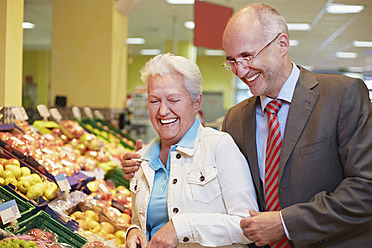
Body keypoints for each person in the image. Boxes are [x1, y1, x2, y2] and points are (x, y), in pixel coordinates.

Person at [221, 3, 372, 248]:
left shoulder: (343, 96)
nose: (240, 70)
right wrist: (150, 161)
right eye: (232, 61)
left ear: (282, 44)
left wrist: (285, 223)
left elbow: (366, 188)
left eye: (247, 56)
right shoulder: (235, 119)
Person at [123, 53, 258, 248]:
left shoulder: (219, 146)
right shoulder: (142, 159)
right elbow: (142, 220)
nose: (162, 111)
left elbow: (247, 226)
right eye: (154, 101)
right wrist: (134, 231)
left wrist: (182, 227)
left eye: (173, 100)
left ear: (197, 102)